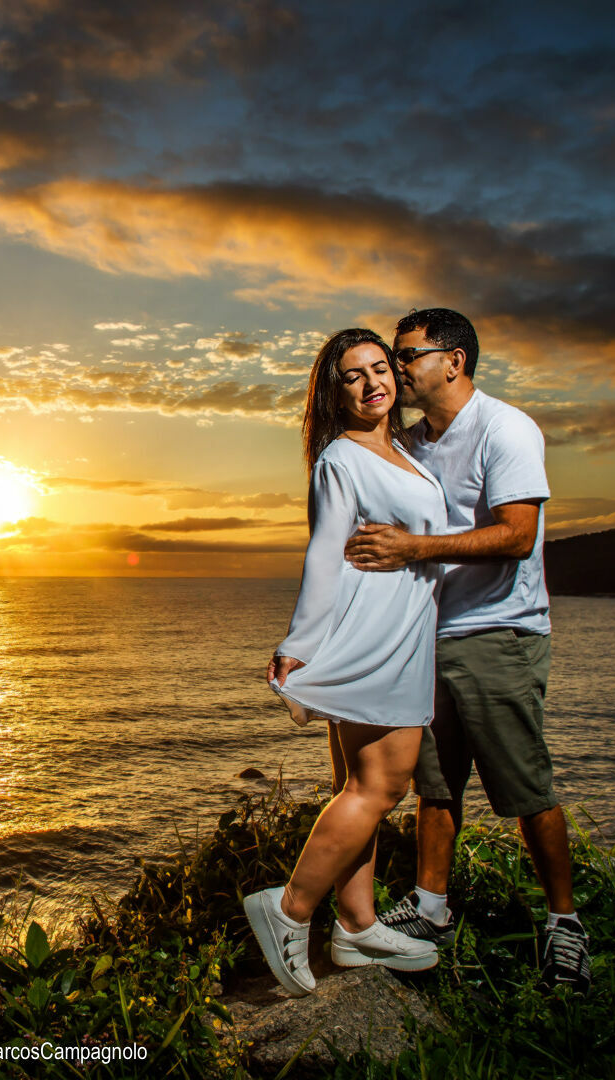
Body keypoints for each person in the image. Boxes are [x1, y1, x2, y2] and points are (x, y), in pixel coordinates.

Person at [344, 307, 591, 992]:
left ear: (454, 361)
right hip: (426, 638)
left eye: (408, 355)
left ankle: (564, 925)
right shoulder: (413, 444)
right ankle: (429, 907)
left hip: (498, 632)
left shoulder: (505, 428)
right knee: (435, 784)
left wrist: (417, 547)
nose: (396, 368)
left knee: (524, 787)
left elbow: (516, 535)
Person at [242, 328, 448, 996]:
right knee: (383, 786)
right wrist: (301, 643)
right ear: (336, 392)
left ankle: (356, 925)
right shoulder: (342, 458)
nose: (371, 383)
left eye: (380, 368)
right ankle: (289, 909)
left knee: (359, 787)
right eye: (353, 375)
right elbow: (325, 551)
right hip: (373, 635)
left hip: (404, 631)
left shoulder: (406, 454)